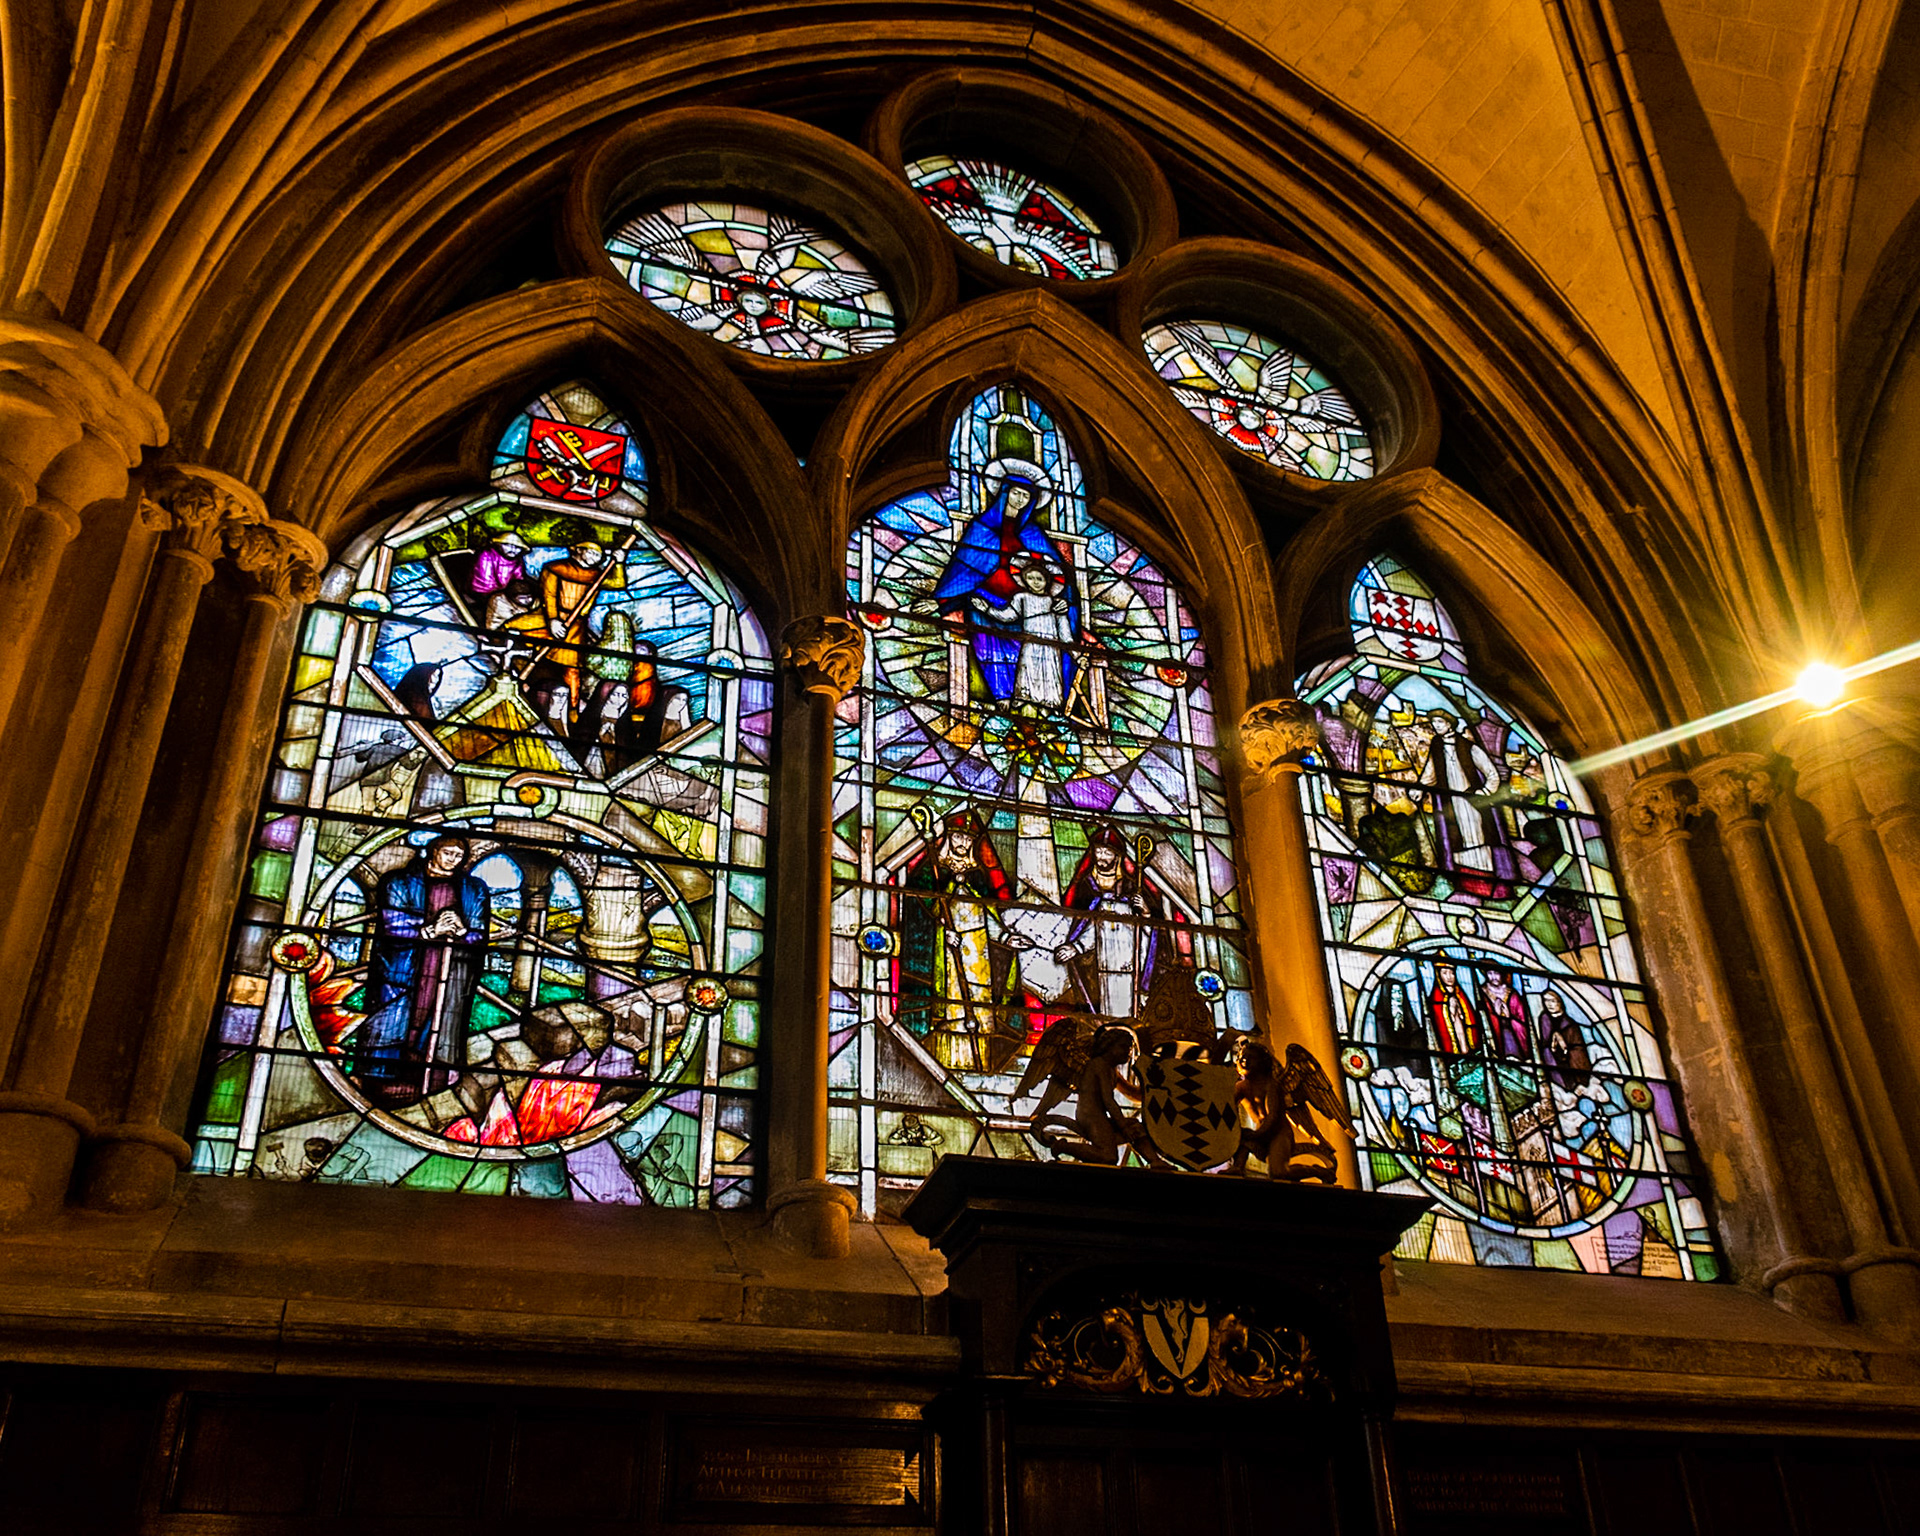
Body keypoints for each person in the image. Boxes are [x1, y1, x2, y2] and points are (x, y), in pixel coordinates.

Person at [357, 835, 492, 1108]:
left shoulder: (473, 888)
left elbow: (479, 933)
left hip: (451, 969)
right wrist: (430, 929)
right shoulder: (400, 882)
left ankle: (429, 1082)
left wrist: (462, 930)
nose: (453, 859)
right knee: (394, 1017)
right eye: (448, 852)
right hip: (404, 965)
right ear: (433, 852)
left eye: (458, 854)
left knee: (440, 1020)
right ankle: (378, 1077)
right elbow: (392, 924)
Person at [932, 463, 1080, 704]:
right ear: (1004, 492)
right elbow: (965, 567)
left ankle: (1043, 703)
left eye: (1026, 496)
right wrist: (940, 601)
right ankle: (1002, 699)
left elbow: (1058, 575)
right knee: (984, 625)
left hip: (1035, 610)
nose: (1020, 499)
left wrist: (1061, 603)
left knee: (1043, 644)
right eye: (1016, 493)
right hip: (990, 600)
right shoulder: (982, 528)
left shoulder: (1034, 534)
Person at [898, 810, 1023, 1071]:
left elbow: (989, 917)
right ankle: (950, 1063)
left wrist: (1005, 937)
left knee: (979, 1008)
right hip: (946, 951)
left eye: (968, 839)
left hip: (978, 954)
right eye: (957, 837)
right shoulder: (933, 871)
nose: (962, 844)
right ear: (949, 837)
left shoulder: (978, 875)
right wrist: (942, 927)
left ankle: (978, 1060)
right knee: (953, 1008)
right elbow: (919, 906)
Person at [1054, 825, 1162, 1022]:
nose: (1101, 856)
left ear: (1117, 856)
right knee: (1102, 1017)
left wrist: (1146, 912)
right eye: (1098, 851)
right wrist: (1075, 948)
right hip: (1099, 969)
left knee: (1128, 1016)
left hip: (1129, 969)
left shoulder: (1131, 887)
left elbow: (1149, 933)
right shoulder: (1086, 887)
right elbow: (1088, 931)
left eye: (1107, 852)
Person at [971, 552, 1077, 711]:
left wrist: (1077, 655)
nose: (1036, 582)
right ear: (1025, 580)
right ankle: (1024, 701)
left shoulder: (1056, 603)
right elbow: (1008, 616)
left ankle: (1050, 707)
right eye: (1031, 578)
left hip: (1051, 647)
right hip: (1030, 642)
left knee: (1050, 676)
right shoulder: (1021, 597)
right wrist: (986, 609)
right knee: (1028, 671)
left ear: (1047, 582)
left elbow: (1065, 633)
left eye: (1040, 579)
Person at [537, 537, 623, 722]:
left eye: (598, 555)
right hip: (552, 620)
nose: (594, 557)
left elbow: (618, 583)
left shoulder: (596, 575)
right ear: (577, 550)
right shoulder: (555, 568)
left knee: (572, 668)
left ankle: (572, 709)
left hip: (576, 625)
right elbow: (549, 594)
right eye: (591, 552)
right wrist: (552, 619)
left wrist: (619, 563)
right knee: (536, 656)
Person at [1418, 710, 1503, 874]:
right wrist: (1419, 789)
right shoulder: (1436, 746)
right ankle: (1465, 883)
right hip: (1450, 801)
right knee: (1456, 838)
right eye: (1434, 722)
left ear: (1450, 724)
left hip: (1471, 799)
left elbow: (1492, 774)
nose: (1436, 726)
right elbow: (1430, 773)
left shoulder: (1469, 747)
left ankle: (1488, 879)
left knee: (1478, 836)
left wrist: (1485, 792)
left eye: (1440, 722)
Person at [1428, 961, 1482, 1055]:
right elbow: (1438, 1019)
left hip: (1462, 1027)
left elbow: (1470, 1018)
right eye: (1445, 973)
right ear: (1438, 975)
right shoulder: (1436, 997)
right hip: (1450, 1038)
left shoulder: (1460, 994)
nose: (1449, 977)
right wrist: (1449, 1009)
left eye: (1452, 973)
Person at [1478, 968, 1532, 1058]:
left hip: (1513, 1035)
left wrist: (1510, 1018)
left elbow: (1523, 1020)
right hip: (1496, 1036)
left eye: (1496, 973)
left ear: (1502, 975)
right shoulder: (1482, 993)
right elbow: (1481, 1019)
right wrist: (1495, 1015)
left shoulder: (1512, 994)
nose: (1493, 977)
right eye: (1490, 973)